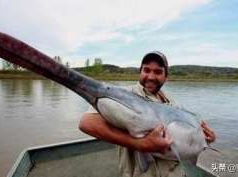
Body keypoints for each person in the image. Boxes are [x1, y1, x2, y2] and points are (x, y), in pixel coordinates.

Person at [79, 51, 216, 177]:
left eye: (157, 72)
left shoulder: (173, 104)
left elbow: (185, 146)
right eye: (146, 70)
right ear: (140, 71)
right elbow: (86, 123)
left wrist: (206, 139)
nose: (151, 76)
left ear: (165, 77)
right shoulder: (122, 95)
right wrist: (140, 144)